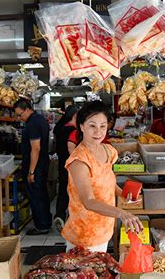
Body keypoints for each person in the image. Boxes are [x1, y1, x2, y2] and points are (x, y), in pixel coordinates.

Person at [62, 100, 144, 252]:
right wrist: (122, 213)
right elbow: (88, 201)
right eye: (92, 126)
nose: (98, 132)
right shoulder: (79, 160)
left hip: (104, 228)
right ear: (81, 126)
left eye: (103, 126)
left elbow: (107, 181)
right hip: (84, 234)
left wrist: (123, 194)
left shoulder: (108, 150)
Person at [15, 99, 52, 235]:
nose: (20, 118)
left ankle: (42, 226)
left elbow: (35, 148)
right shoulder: (40, 119)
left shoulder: (33, 124)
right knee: (42, 194)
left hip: (36, 166)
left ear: (28, 109)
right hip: (42, 163)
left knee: (36, 196)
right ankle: (46, 222)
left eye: (20, 115)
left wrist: (31, 172)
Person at [53, 105, 79, 232]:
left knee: (63, 191)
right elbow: (72, 150)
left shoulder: (60, 128)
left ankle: (59, 215)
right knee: (74, 193)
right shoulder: (74, 132)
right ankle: (72, 220)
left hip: (62, 164)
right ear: (75, 116)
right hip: (72, 166)